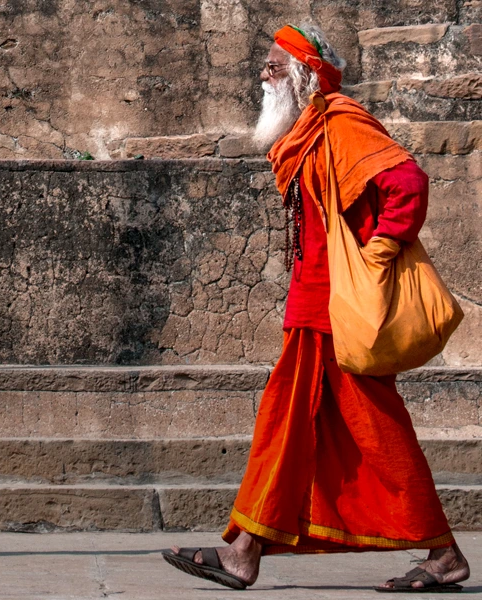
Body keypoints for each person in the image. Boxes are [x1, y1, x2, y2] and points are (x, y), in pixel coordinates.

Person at [162, 24, 471, 593]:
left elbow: (408, 182)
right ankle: (245, 551)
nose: (263, 75)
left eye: (274, 66)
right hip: (314, 302)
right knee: (288, 425)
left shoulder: (341, 121)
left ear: (304, 74)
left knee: (373, 429)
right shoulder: (307, 130)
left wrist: (380, 249)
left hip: (342, 305)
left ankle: (442, 553)